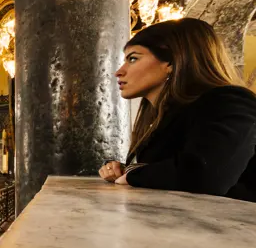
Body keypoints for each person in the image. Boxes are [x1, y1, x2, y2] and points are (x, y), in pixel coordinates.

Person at [99, 18, 256, 202]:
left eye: (133, 58)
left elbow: (206, 175)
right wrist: (121, 169)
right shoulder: (166, 116)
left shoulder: (229, 101)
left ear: (172, 62)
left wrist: (134, 173)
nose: (119, 71)